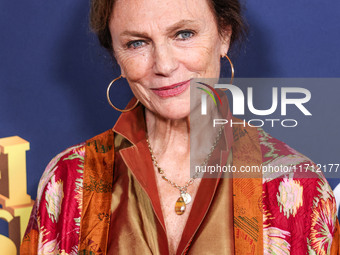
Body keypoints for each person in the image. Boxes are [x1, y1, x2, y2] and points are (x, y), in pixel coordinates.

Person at [21, 0, 339, 254]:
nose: (165, 65)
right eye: (136, 43)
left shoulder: (296, 185)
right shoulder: (67, 181)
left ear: (223, 35)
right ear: (116, 55)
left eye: (183, 34)